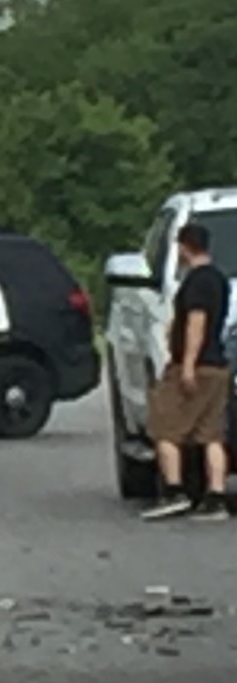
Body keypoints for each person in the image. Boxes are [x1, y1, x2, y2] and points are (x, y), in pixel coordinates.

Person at [143, 221, 232, 522]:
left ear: (184, 247)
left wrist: (188, 365)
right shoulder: (220, 280)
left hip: (197, 365)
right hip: (219, 366)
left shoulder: (196, 282)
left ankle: (173, 491)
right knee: (212, 434)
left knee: (165, 427)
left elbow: (197, 322)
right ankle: (216, 497)